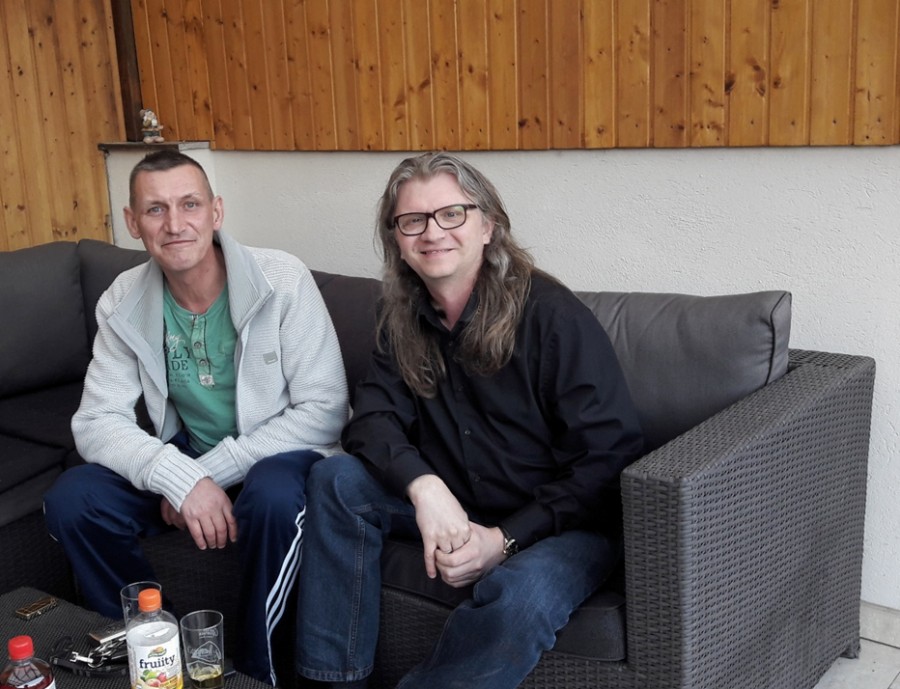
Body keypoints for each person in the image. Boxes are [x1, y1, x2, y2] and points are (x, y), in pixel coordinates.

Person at [295, 152, 644, 689]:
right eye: (413, 220)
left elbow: (608, 462)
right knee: (335, 479)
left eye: (452, 214)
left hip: (561, 523)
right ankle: (333, 682)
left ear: (488, 226)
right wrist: (425, 487)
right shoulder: (401, 316)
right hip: (454, 503)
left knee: (520, 596)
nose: (433, 232)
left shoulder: (552, 316)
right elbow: (372, 420)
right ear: (397, 240)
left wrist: (504, 540)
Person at [43, 149, 349, 686]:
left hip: (280, 456)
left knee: (274, 496)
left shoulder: (282, 279)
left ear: (216, 212)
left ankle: (256, 672)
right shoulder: (123, 299)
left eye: (190, 204)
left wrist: (202, 476)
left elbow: (324, 412)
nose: (175, 223)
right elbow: (96, 421)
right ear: (133, 222)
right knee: (74, 498)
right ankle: (153, 647)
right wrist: (178, 476)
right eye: (155, 209)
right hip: (190, 452)